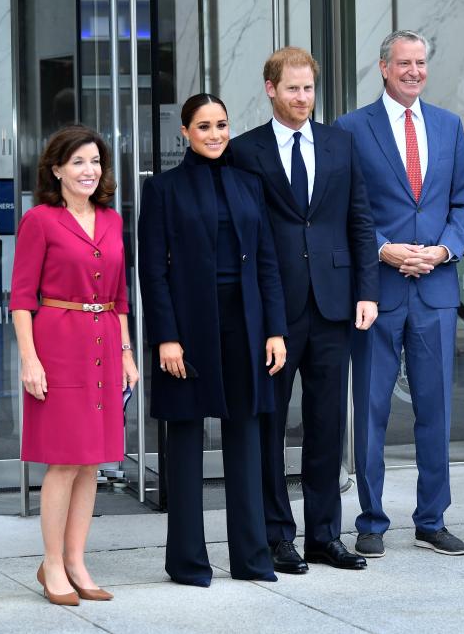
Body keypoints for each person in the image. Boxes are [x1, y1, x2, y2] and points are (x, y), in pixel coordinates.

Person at [231, 47, 379, 573]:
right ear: (270, 89)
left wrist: (367, 292)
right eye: (292, 88)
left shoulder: (341, 143)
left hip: (336, 304)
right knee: (271, 424)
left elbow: (359, 221)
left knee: (326, 424)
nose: (302, 98)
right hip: (276, 309)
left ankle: (323, 535)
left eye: (309, 88)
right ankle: (277, 535)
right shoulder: (245, 151)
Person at [138, 93, 288, 586]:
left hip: (245, 325)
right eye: (204, 126)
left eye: (221, 124)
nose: (215, 134)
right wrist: (166, 338)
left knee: (246, 437)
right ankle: (187, 563)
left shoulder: (250, 184)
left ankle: (251, 558)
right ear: (185, 131)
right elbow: (152, 273)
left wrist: (275, 330)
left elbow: (267, 263)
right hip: (188, 328)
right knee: (183, 442)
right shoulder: (163, 190)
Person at [335, 30, 464, 557]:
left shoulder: (449, 125)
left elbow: (462, 203)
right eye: (404, 63)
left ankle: (432, 518)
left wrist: (442, 251)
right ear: (383, 67)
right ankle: (371, 518)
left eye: (421, 62)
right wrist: (384, 249)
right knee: (370, 409)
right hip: (379, 288)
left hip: (435, 288)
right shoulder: (351, 129)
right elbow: (344, 207)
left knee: (435, 409)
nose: (414, 71)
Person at [11, 124, 139, 605]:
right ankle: (52, 564)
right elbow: (22, 298)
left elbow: (120, 296)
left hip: (103, 345)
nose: (90, 170)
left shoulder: (110, 219)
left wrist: (126, 351)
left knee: (91, 463)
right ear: (57, 169)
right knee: (64, 462)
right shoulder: (40, 220)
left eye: (96, 161)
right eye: (79, 161)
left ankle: (76, 561)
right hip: (57, 345)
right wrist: (30, 359)